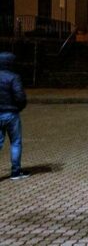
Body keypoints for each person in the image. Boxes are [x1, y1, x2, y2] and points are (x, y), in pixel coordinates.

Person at [0, 52, 29, 180]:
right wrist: (19, 107)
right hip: (11, 113)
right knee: (15, 142)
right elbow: (20, 96)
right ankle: (15, 172)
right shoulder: (13, 77)